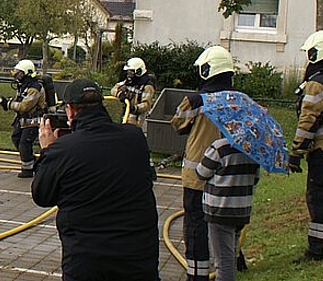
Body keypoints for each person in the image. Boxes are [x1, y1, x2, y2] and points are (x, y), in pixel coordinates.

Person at [33, 78, 160, 280]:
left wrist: (48, 151)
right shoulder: (135, 138)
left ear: (71, 110)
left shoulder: (63, 150)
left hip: (88, 263)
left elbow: (42, 195)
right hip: (139, 260)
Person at [171, 45, 235, 281]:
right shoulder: (240, 101)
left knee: (196, 223)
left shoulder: (196, 101)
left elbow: (177, 124)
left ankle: (197, 274)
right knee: (228, 224)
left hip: (198, 176)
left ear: (207, 70)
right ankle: (233, 264)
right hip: (231, 175)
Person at [288, 30, 323, 262]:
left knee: (320, 197)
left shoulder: (320, 82)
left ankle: (319, 249)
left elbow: (307, 119)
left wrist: (296, 152)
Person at [195, 125, 261, 281]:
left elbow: (201, 172)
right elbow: (255, 179)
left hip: (220, 210)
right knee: (230, 254)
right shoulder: (252, 150)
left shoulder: (220, 147)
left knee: (223, 262)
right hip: (241, 210)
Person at [0, 59, 46, 178]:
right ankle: (34, 162)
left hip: (33, 122)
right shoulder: (24, 86)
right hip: (23, 121)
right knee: (16, 139)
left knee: (24, 144)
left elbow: (25, 106)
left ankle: (28, 170)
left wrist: (8, 104)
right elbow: (19, 102)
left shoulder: (34, 88)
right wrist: (8, 102)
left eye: (19, 73)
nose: (17, 76)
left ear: (27, 73)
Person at [111, 57, 156, 126]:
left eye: (131, 71)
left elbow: (146, 105)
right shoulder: (128, 82)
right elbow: (113, 89)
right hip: (124, 116)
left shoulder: (147, 87)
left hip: (137, 121)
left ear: (138, 71)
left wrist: (134, 107)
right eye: (128, 71)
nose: (129, 74)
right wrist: (120, 94)